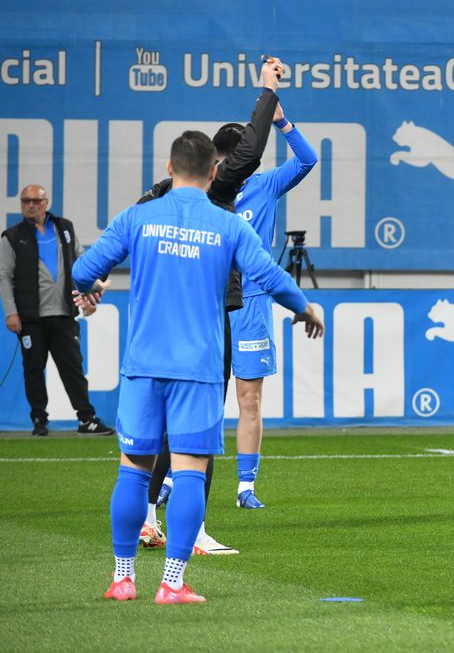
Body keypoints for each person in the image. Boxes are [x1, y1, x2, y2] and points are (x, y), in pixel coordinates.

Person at [75, 129, 324, 605]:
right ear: (214, 173)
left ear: (169, 169)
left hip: (144, 365)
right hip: (198, 368)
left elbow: (84, 270)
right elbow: (268, 275)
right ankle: (172, 583)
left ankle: (122, 577)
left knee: (132, 471)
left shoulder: (138, 217)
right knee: (189, 471)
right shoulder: (227, 224)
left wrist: (89, 289)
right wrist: (304, 306)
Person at [138, 56, 284, 554]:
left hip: (162, 324)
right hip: (206, 323)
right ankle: (193, 533)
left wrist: (86, 286)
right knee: (201, 425)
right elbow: (252, 152)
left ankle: (147, 516)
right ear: (214, 166)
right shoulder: (217, 195)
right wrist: (267, 92)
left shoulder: (154, 201)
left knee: (159, 426)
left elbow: (118, 246)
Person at [221, 111, 318, 509]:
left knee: (249, 400)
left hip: (254, 301)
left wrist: (283, 122)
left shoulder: (267, 184)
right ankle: (174, 475)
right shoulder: (208, 192)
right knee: (201, 395)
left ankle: (246, 486)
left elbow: (308, 160)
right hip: (210, 301)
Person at [0, 185, 113, 436]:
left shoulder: (64, 228)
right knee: (33, 370)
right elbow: (4, 276)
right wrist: (11, 312)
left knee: (73, 367)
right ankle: (39, 420)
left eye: (36, 201)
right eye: (26, 201)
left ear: (45, 202)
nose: (31, 205)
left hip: (64, 312)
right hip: (32, 318)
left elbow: (81, 262)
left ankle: (87, 419)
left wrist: (89, 299)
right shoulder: (12, 236)